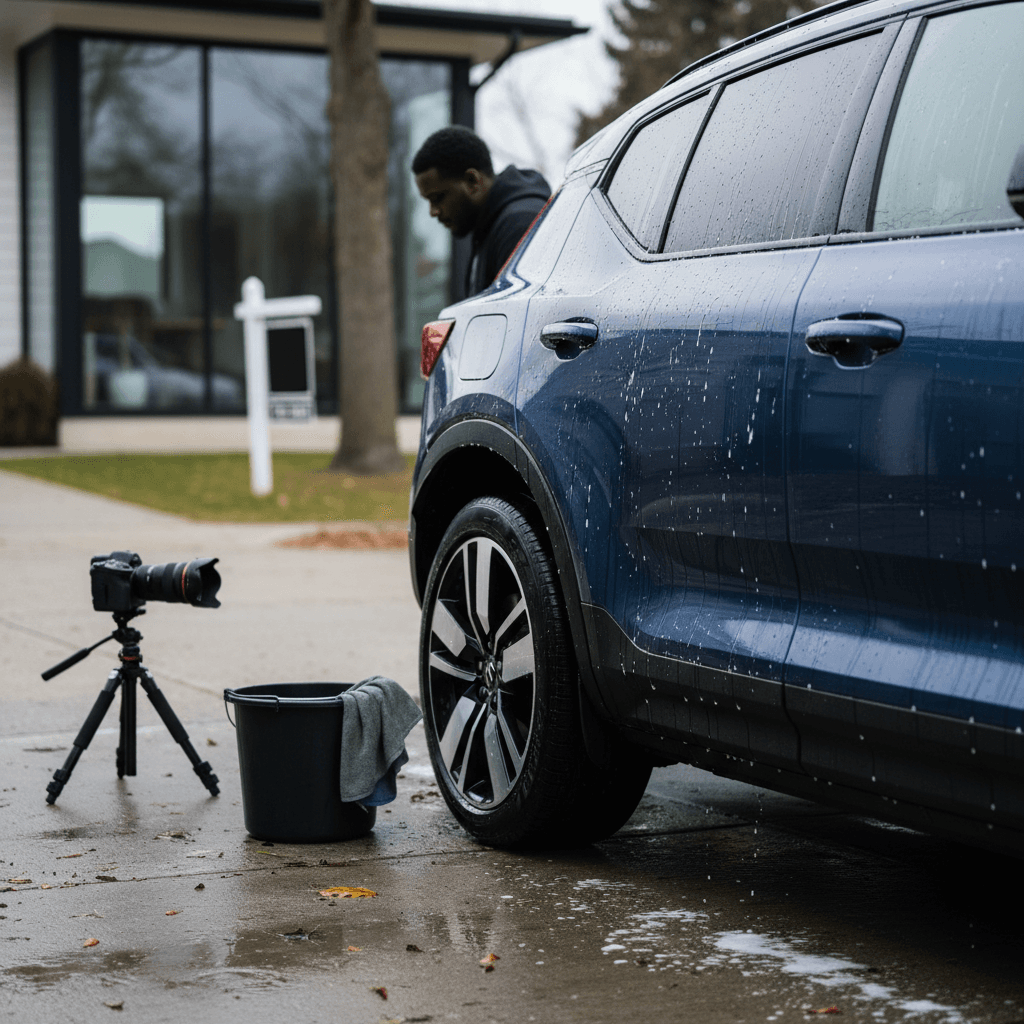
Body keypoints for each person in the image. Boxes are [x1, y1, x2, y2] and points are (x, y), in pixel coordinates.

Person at [412, 126, 551, 298]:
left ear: (472, 181)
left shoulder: (520, 224)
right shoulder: (490, 226)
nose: (433, 212)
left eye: (438, 198)